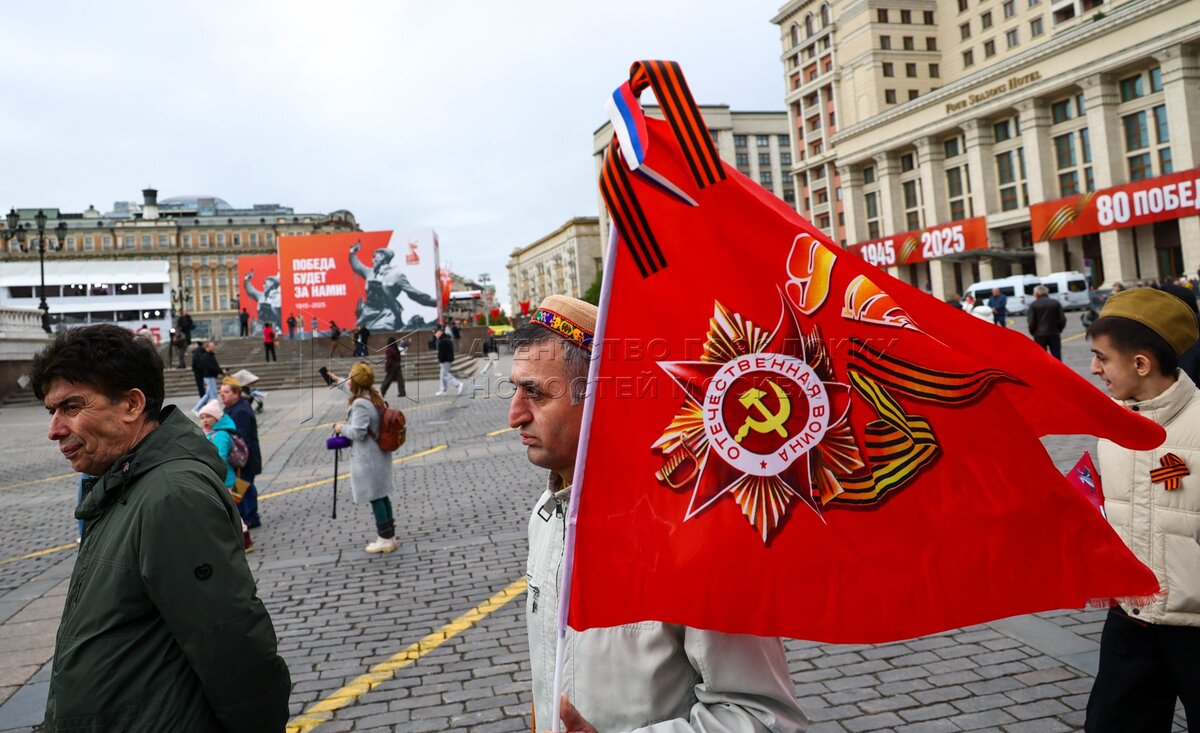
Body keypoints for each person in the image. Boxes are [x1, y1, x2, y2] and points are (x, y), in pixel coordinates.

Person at [509, 295, 809, 732]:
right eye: (515, 389)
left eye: (534, 393)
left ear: (599, 399)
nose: (514, 415)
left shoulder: (692, 538)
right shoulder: (545, 515)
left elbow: (764, 716)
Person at [30, 324, 290, 731]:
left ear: (132, 404)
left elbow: (231, 644)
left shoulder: (171, 495)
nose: (55, 430)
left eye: (72, 407)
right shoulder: (125, 482)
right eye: (52, 412)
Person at [1084, 288, 1200, 733]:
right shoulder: (1111, 425)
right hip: (1129, 619)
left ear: (1141, 364)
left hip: (1193, 625)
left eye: (1102, 358)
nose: (1093, 369)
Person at [329, 363, 398, 553]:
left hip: (368, 459)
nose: (348, 381)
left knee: (375, 497)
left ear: (355, 383)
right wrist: (337, 381)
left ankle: (385, 540)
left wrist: (340, 428)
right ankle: (390, 536)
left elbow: (358, 433)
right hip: (379, 456)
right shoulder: (373, 396)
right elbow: (352, 390)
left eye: (350, 378)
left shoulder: (360, 404)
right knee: (382, 495)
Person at [198, 401, 254, 553]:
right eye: (202, 417)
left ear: (217, 418)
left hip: (226, 480)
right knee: (225, 512)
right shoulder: (206, 433)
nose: (204, 420)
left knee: (230, 511)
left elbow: (219, 457)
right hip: (217, 478)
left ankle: (245, 539)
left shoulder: (221, 435)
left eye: (208, 417)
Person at [348, 241, 437, 331]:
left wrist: (436, 303)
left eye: (375, 257)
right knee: (356, 333)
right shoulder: (370, 272)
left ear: (383, 257)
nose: (373, 260)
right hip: (367, 314)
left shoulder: (396, 274)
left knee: (381, 333)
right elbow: (356, 265)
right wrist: (352, 252)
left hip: (385, 315)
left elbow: (414, 294)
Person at [219, 379, 263, 529]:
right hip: (240, 458)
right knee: (241, 486)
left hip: (244, 457)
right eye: (221, 392)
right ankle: (245, 515)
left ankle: (251, 517)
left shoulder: (241, 411)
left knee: (244, 485)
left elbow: (239, 438)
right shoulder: (231, 408)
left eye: (226, 392)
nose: (222, 395)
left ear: (236, 394)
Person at [1027, 284, 1067, 360]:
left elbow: (1031, 322)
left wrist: (1033, 332)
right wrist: (1059, 329)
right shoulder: (1055, 303)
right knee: (1056, 356)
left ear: (1037, 294)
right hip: (1054, 333)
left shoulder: (1033, 305)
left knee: (1042, 358)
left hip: (1039, 335)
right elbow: (1062, 319)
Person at [191, 341, 223, 414]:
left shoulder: (210, 355)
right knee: (213, 395)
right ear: (207, 347)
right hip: (209, 376)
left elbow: (215, 365)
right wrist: (220, 371)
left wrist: (221, 371)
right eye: (211, 346)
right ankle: (217, 411)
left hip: (211, 376)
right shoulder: (205, 356)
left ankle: (196, 408)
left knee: (208, 395)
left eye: (213, 346)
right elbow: (210, 367)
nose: (213, 347)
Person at [434, 326, 463, 396]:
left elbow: (442, 352)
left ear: (441, 332)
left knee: (445, 375)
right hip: (447, 360)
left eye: (438, 332)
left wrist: (441, 360)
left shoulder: (443, 341)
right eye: (436, 333)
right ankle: (443, 390)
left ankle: (458, 384)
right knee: (442, 375)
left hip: (445, 360)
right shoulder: (445, 339)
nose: (437, 334)